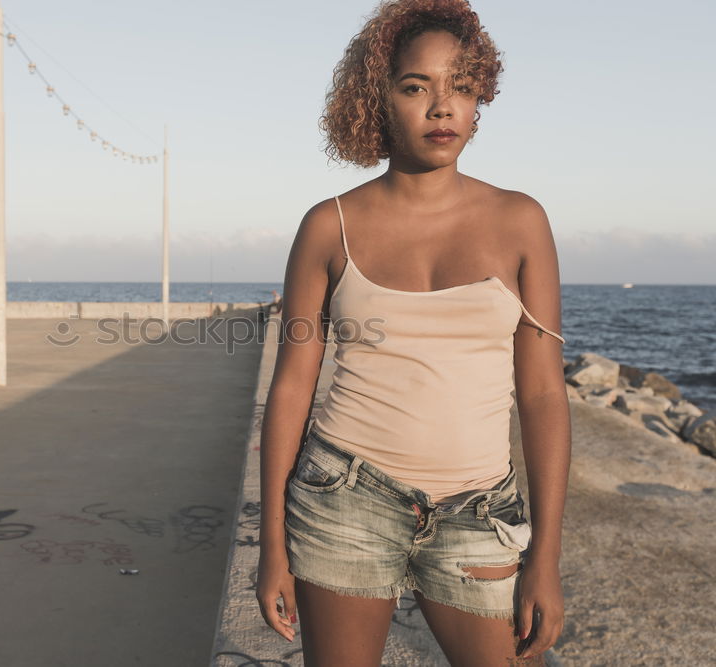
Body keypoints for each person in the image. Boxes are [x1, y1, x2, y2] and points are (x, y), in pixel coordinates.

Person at [255, 1, 570, 664]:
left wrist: (546, 554)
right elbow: (290, 390)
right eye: (416, 86)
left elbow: (543, 395)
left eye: (460, 86)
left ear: (480, 98)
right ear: (379, 99)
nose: (441, 107)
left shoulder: (522, 222)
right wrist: (273, 547)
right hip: (344, 499)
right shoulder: (327, 226)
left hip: (480, 512)